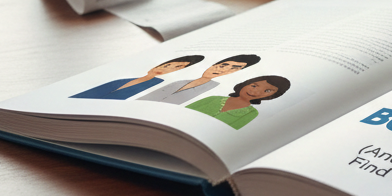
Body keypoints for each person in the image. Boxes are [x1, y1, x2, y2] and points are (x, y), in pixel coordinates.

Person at [137, 53, 261, 104]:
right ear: (213, 65)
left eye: (234, 68)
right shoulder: (179, 81)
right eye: (223, 65)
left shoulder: (215, 89)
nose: (223, 69)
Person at [71, 56, 205, 100]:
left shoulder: (158, 85)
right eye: (167, 64)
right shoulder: (120, 79)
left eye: (176, 68)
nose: (166, 68)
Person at [186, 75, 291, 129]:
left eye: (267, 91)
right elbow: (183, 112)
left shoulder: (252, 113)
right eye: (254, 85)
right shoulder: (213, 98)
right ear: (246, 83)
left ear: (272, 96)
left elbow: (230, 131)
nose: (255, 91)